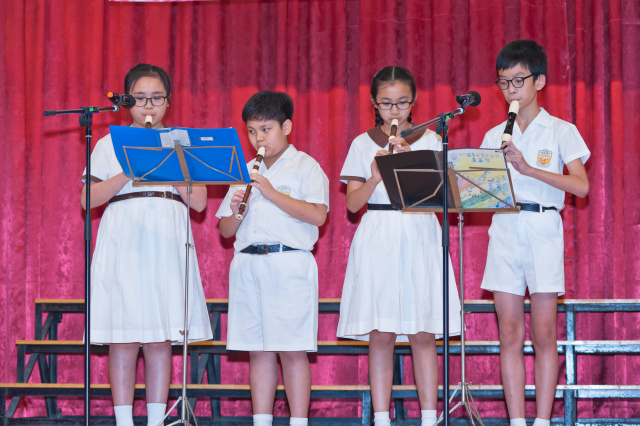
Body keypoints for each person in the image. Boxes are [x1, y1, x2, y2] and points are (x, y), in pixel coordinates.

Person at [80, 63, 213, 426]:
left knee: (160, 336)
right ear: (127, 102)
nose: (149, 106)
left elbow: (200, 203)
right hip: (124, 235)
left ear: (168, 101)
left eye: (156, 98)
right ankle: (124, 421)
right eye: (140, 98)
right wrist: (129, 170)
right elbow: (87, 199)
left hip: (166, 236)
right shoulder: (109, 143)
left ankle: (156, 421)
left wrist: (172, 163)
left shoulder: (180, 141)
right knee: (123, 336)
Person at [336, 66, 462, 426]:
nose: (395, 111)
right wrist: (375, 175)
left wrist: (409, 162)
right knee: (381, 333)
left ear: (414, 101)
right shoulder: (362, 143)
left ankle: (428, 418)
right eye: (386, 103)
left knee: (423, 332)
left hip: (419, 231)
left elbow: (446, 199)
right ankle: (381, 418)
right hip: (379, 234)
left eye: (402, 103)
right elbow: (352, 204)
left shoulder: (431, 139)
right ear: (374, 103)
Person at [480, 40, 590, 426]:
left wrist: (528, 170)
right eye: (503, 82)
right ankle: (516, 420)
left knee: (543, 334)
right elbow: (481, 192)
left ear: (539, 81)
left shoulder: (561, 130)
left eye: (518, 80)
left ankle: (542, 420)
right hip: (505, 227)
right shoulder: (494, 134)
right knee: (509, 334)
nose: (510, 90)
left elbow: (581, 186)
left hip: (543, 227)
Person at [216, 91, 329, 426]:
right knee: (259, 351)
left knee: (292, 351)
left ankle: (298, 422)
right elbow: (225, 230)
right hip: (248, 265)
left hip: (288, 264)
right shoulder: (243, 170)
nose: (258, 139)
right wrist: (237, 211)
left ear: (286, 127)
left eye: (266, 129)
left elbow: (318, 216)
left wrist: (270, 192)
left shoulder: (306, 166)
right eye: (252, 131)